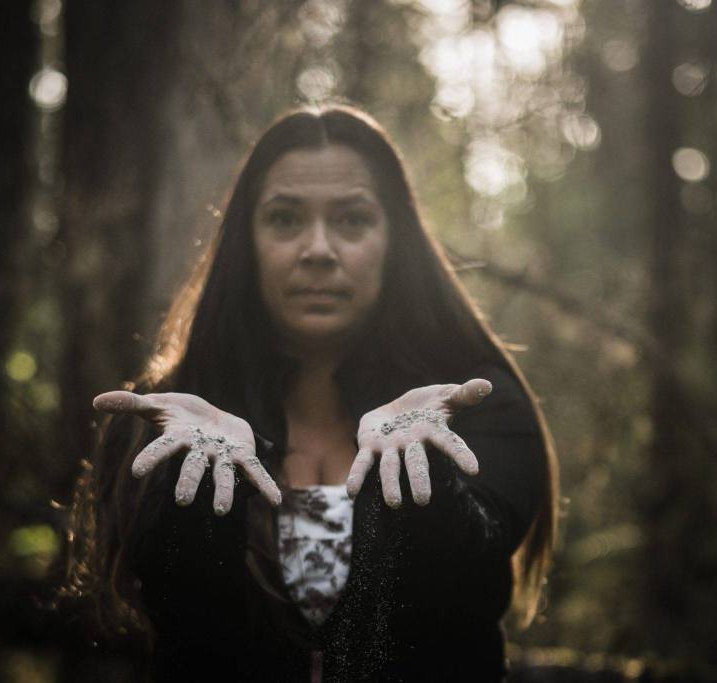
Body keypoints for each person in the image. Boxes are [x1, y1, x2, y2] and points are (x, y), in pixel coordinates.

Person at [66, 105, 559, 682]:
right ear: (246, 242)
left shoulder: (473, 406)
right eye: (285, 219)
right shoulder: (170, 418)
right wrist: (197, 496)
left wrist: (424, 472)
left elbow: (459, 582)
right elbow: (186, 629)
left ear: (394, 241)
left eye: (352, 220)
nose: (319, 249)